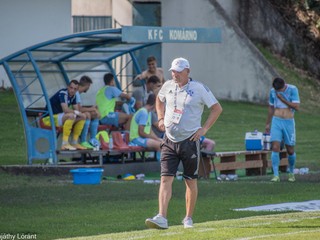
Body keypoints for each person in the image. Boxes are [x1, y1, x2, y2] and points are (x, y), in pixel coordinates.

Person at [145, 57, 222, 229]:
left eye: (179, 71)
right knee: (165, 179)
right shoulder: (168, 86)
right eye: (173, 71)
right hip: (169, 140)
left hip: (190, 141)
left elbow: (217, 108)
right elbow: (159, 99)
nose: (175, 74)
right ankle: (162, 217)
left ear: (188, 71)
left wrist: (204, 130)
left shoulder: (199, 88)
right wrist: (161, 118)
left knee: (190, 181)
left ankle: (188, 218)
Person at [265, 77, 300, 182]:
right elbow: (271, 107)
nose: (277, 92)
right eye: (276, 90)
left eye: (278, 90)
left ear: (284, 85)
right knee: (275, 147)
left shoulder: (293, 89)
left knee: (290, 150)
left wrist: (282, 99)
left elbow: (297, 107)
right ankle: (276, 175)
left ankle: (291, 172)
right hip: (276, 121)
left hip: (288, 122)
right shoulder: (273, 91)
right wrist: (268, 123)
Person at [43, 80, 86, 150]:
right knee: (71, 115)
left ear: (77, 90)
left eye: (75, 89)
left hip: (59, 117)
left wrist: (79, 114)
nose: (72, 90)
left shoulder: (73, 96)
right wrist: (77, 113)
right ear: (68, 87)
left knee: (83, 117)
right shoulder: (63, 93)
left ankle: (74, 142)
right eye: (71, 88)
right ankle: (64, 143)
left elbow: (77, 110)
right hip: (48, 118)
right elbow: (65, 109)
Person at [76, 75, 101, 149]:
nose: (89, 88)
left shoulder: (78, 94)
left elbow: (79, 108)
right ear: (87, 85)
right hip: (72, 115)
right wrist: (92, 109)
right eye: (89, 86)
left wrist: (92, 109)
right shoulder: (76, 93)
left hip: (76, 114)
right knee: (88, 114)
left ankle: (93, 139)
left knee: (94, 115)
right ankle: (83, 141)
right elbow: (79, 109)